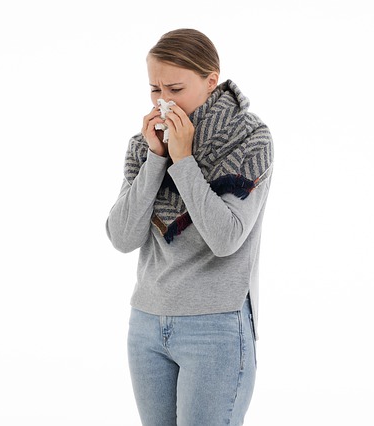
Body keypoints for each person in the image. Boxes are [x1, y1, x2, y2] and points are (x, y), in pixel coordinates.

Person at [105, 28, 273, 426]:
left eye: (176, 88)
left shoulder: (249, 139)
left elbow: (226, 238)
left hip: (215, 327)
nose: (163, 102)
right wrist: (155, 160)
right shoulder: (144, 144)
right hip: (146, 323)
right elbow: (123, 237)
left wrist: (184, 163)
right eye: (154, 89)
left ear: (211, 80)